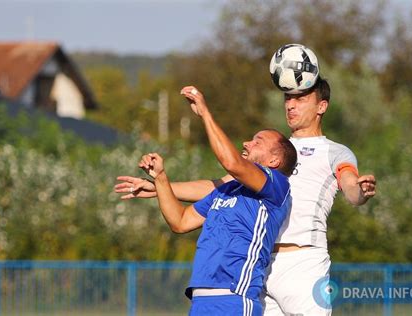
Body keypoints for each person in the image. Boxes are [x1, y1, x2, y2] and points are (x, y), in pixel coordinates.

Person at [115, 77, 376, 315]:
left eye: (301, 98)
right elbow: (218, 186)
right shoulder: (272, 151)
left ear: (321, 107)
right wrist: (161, 186)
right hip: (261, 265)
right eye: (288, 98)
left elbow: (351, 188)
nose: (291, 105)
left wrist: (360, 192)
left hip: (302, 262)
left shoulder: (331, 152)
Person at [118, 86, 297, 315]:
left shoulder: (277, 185)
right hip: (201, 301)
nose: (246, 143)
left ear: (274, 160)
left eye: (257, 141)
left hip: (234, 300)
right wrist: (160, 180)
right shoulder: (228, 190)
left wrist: (204, 113)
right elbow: (180, 221)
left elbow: (231, 163)